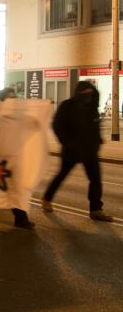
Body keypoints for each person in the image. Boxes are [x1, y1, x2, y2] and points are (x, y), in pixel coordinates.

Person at [42, 81, 114, 221]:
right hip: (71, 151)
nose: (88, 95)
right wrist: (67, 143)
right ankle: (47, 199)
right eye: (85, 92)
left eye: (90, 92)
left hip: (90, 151)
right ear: (78, 92)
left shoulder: (92, 107)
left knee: (96, 180)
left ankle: (96, 209)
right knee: (61, 176)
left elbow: (94, 126)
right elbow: (57, 125)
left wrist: (98, 140)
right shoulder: (67, 105)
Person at [0, 88, 34, 229]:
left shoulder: (20, 114)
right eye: (9, 98)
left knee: (16, 188)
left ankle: (21, 218)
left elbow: (32, 121)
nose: (12, 101)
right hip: (0, 157)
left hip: (15, 156)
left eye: (14, 98)